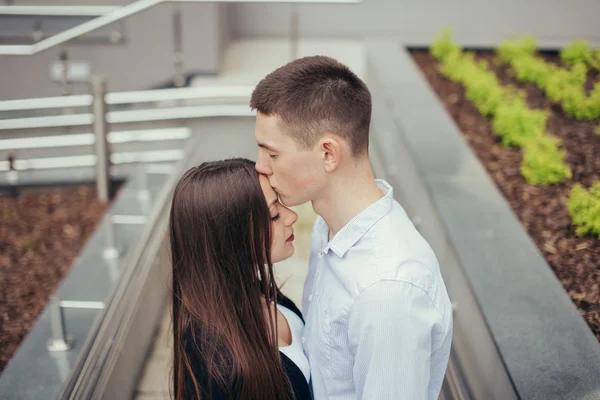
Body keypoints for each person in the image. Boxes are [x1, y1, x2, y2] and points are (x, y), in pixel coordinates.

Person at [252, 55, 453, 399]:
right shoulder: (327, 228)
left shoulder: (388, 291)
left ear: (328, 153)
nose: (261, 167)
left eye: (272, 154)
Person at [169, 158, 311, 400]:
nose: (291, 217)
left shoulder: (258, 291)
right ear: (232, 236)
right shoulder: (214, 361)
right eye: (275, 214)